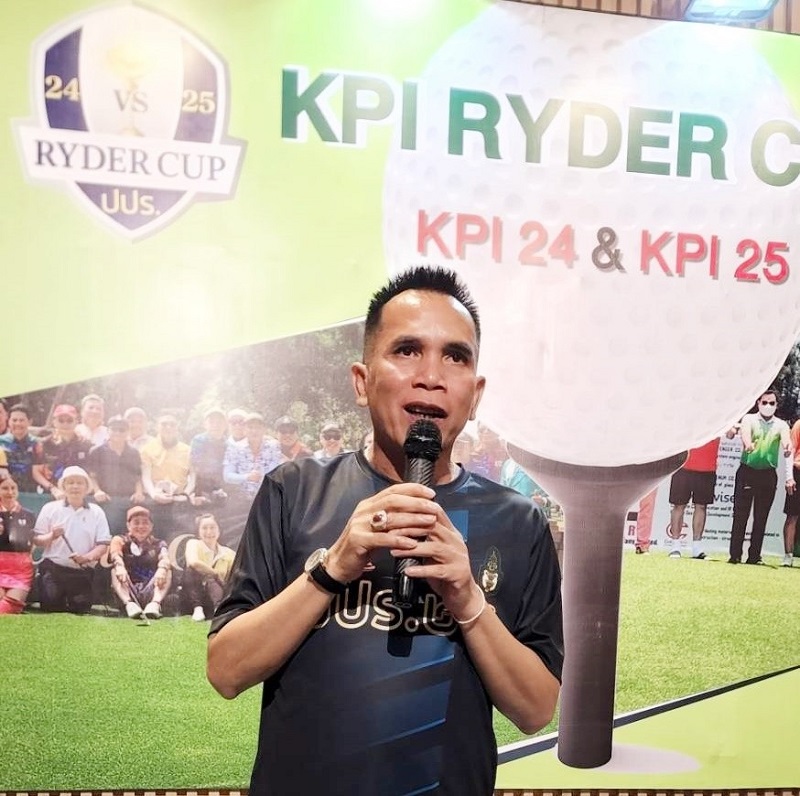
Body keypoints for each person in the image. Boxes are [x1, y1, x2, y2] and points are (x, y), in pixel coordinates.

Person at [207, 266, 563, 796]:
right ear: (362, 380)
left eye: (456, 356)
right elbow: (226, 670)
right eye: (407, 350)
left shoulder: (518, 520)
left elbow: (535, 709)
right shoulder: (294, 490)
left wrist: (466, 599)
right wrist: (331, 570)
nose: (431, 375)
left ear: (475, 394)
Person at [32, 465, 111, 614]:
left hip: (82, 572)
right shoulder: (50, 508)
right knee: (51, 609)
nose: (75, 486)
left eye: (80, 483)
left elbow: (103, 545)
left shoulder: (97, 512)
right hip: (53, 570)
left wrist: (86, 558)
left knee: (80, 610)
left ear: (86, 487)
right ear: (63, 486)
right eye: (70, 482)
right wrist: (52, 536)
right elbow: (37, 540)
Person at [728, 390, 793, 565]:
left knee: (761, 517)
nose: (768, 406)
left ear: (776, 405)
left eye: (772, 403)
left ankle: (754, 556)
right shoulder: (749, 419)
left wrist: (787, 447)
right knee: (740, 515)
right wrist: (748, 445)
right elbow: (745, 434)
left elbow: (786, 441)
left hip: (768, 475)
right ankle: (735, 555)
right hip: (747, 471)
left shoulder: (781, 425)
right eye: (764, 402)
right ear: (758, 403)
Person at [108, 505, 171, 620]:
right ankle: (129, 604)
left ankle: (155, 604)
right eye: (136, 523)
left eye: (145, 523)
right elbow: (115, 555)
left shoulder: (159, 543)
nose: (141, 526)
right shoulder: (119, 540)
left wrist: (162, 569)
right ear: (128, 525)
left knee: (167, 571)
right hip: (128, 588)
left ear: (151, 526)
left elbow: (165, 558)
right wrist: (120, 567)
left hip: (150, 588)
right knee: (114, 570)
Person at [666, 437, 722, 559]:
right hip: (683, 465)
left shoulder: (717, 423)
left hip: (707, 466)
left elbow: (730, 433)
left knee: (701, 506)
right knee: (679, 505)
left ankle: (697, 548)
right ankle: (675, 546)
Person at [87, 415, 145, 533]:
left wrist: (139, 492)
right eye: (114, 429)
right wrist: (97, 491)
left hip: (129, 500)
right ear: (108, 430)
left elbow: (138, 476)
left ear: (127, 432)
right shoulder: (96, 451)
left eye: (122, 430)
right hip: (106, 501)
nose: (117, 433)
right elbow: (92, 476)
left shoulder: (134, 452)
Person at [184, 513, 235, 621]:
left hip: (218, 594)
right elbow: (193, 562)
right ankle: (198, 609)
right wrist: (215, 573)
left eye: (212, 527)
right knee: (190, 570)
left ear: (219, 530)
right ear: (198, 532)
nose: (209, 532)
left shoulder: (229, 553)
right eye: (204, 528)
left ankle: (219, 609)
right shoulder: (193, 543)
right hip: (195, 595)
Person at [0, 474, 37, 614]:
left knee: (10, 605)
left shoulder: (28, 515)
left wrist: (53, 535)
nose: (10, 492)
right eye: (5, 488)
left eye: (13, 488)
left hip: (20, 569)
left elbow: (34, 540)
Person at [40, 404, 93, 499]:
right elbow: (37, 471)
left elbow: (91, 472)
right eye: (61, 420)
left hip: (79, 495)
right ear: (54, 422)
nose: (65, 424)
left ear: (76, 422)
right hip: (50, 494)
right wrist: (53, 489)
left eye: (69, 420)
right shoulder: (45, 444)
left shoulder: (86, 445)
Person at [223, 412, 282, 498]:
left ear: (264, 429)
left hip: (268, 496)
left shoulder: (273, 446)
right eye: (250, 427)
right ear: (244, 429)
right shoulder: (235, 448)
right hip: (242, 498)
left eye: (258, 428)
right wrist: (247, 477)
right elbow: (227, 476)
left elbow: (275, 471)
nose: (254, 431)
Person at [0, 404, 49, 495]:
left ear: (29, 422)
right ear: (9, 421)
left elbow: (39, 471)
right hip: (5, 493)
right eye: (14, 420)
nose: (18, 423)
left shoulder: (36, 444)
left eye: (21, 420)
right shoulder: (1, 442)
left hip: (30, 493)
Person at [190, 408, 229, 501]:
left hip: (223, 487)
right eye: (211, 422)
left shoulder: (228, 443)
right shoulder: (199, 440)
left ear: (225, 425)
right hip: (202, 487)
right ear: (205, 425)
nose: (215, 425)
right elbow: (198, 465)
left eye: (219, 422)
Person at [781, 417, 800, 567]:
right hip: (798, 473)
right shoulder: (799, 424)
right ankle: (788, 556)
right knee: (792, 516)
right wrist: (789, 477)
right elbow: (791, 450)